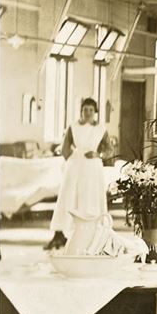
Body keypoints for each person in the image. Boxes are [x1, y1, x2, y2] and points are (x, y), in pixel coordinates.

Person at [45, 97, 111, 250]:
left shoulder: (101, 129)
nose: (88, 113)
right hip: (75, 166)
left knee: (91, 197)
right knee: (68, 197)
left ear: (95, 112)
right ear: (81, 111)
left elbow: (109, 149)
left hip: (93, 167)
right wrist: (73, 161)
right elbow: (65, 148)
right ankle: (60, 234)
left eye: (91, 110)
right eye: (85, 110)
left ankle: (94, 235)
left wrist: (98, 155)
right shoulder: (73, 126)